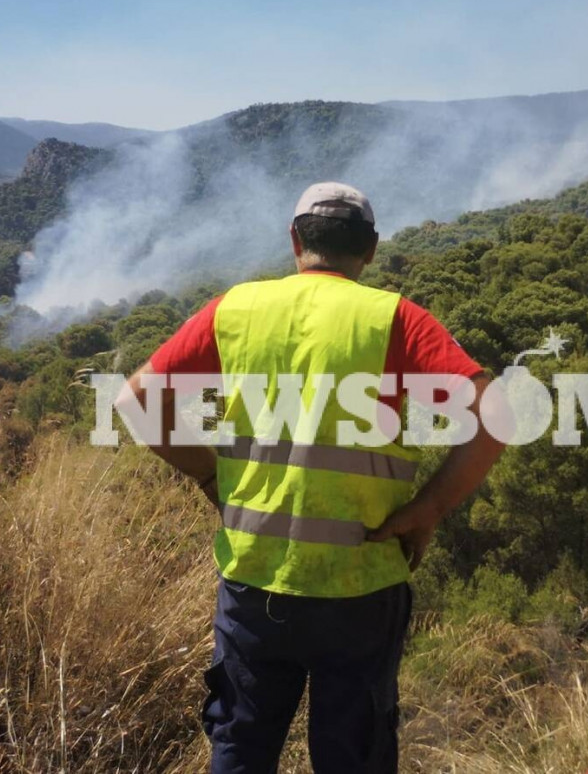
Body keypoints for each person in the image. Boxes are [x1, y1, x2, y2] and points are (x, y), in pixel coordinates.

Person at [118, 182, 505, 774]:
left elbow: (135, 400)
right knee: (353, 755)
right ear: (370, 249)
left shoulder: (234, 309)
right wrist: (428, 509)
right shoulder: (395, 318)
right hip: (362, 583)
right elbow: (495, 416)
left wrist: (209, 476)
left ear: (295, 241)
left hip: (254, 579)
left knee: (240, 749)